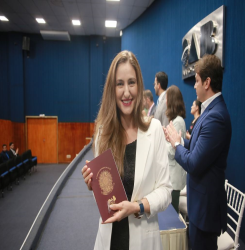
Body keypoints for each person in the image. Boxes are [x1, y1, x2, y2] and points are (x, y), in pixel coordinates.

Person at [82, 50, 172, 250]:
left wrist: (138, 206)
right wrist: (94, 185)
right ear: (111, 89)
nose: (126, 92)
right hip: (109, 239)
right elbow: (107, 194)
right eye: (120, 84)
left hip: (143, 238)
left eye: (131, 82)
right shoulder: (102, 133)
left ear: (139, 86)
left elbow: (165, 191)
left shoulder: (154, 129)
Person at [164, 54, 232, 250]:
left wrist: (177, 145)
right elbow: (196, 147)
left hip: (205, 209)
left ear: (207, 82)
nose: (194, 86)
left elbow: (193, 163)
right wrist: (179, 140)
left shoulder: (216, 117)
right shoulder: (210, 111)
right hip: (199, 206)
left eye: (196, 81)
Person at [163, 85, 186, 213]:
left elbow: (173, 151)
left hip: (174, 179)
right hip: (172, 177)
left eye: (167, 99)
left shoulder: (178, 121)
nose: (165, 102)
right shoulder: (176, 120)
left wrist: (163, 142)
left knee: (173, 217)